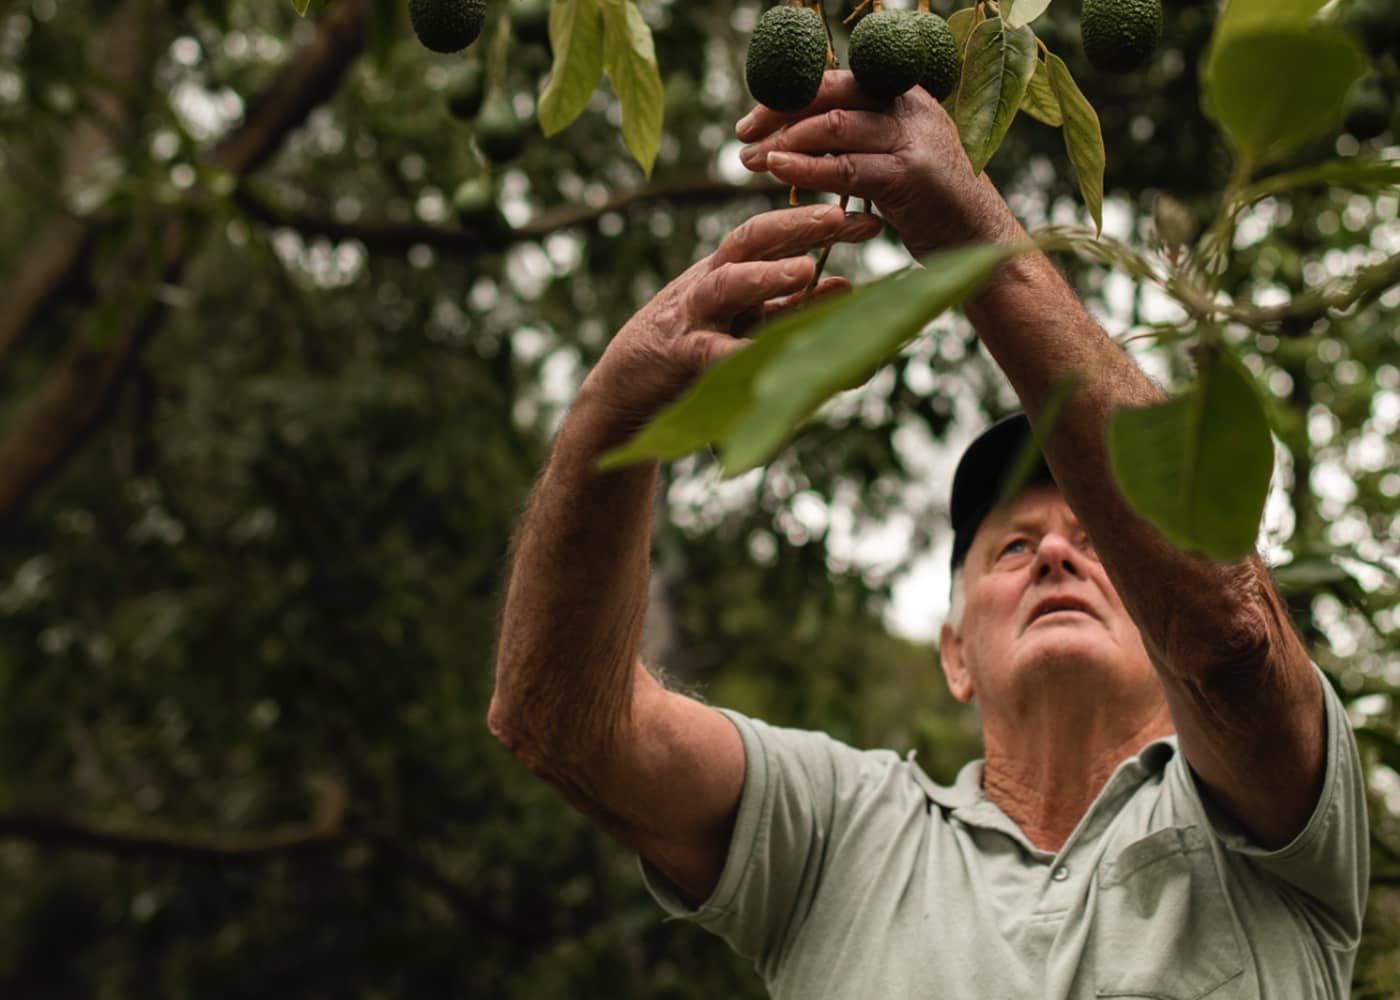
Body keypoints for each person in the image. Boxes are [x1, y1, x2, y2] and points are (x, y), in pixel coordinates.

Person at [487, 73, 1368, 997]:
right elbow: (565, 724)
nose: (1060, 554)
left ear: (1153, 613)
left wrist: (967, 227)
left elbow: (1228, 637)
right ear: (954, 653)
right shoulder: (837, 831)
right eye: (1014, 549)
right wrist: (614, 409)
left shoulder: (1276, 829)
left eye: (1100, 547)